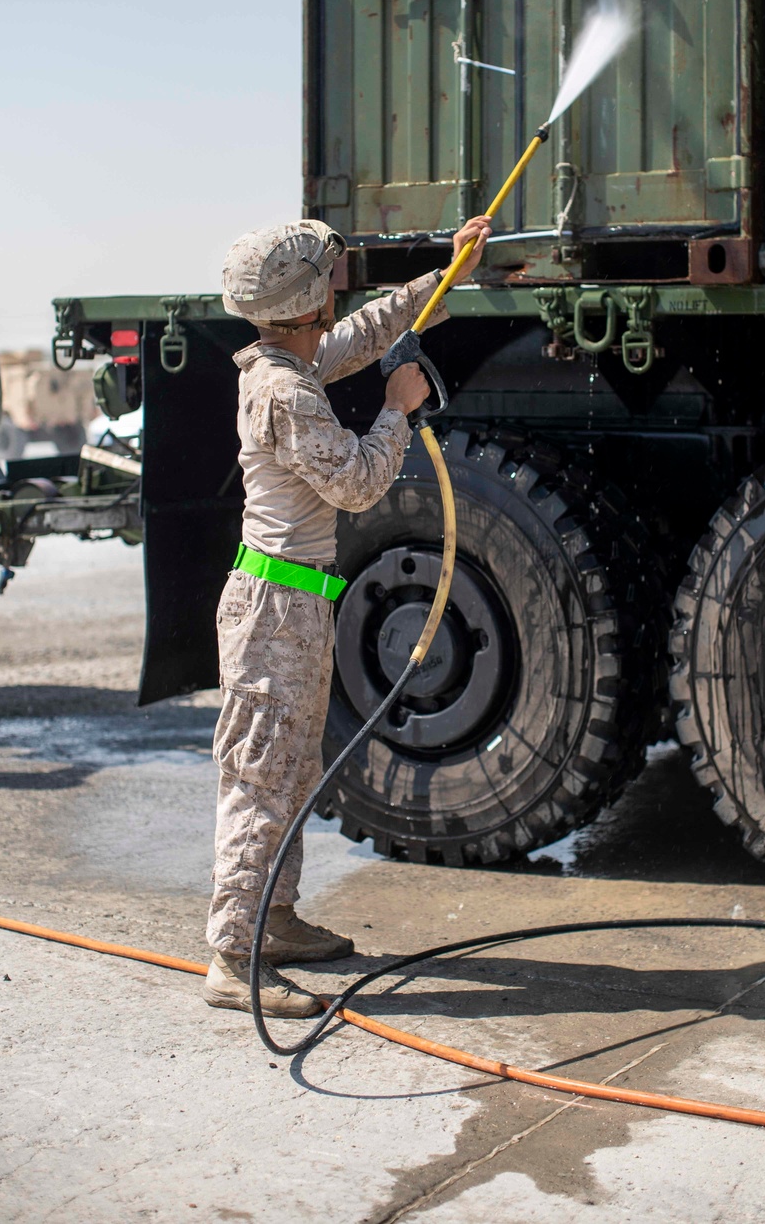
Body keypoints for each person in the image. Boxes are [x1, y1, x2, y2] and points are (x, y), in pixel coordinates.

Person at [204, 213, 492, 1015]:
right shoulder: (286, 392)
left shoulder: (288, 357)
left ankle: (275, 919)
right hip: (275, 608)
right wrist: (399, 407)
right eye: (327, 281)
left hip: (295, 604)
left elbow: (366, 331)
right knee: (261, 779)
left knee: (293, 774)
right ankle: (233, 955)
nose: (339, 290)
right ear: (305, 304)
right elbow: (360, 483)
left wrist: (447, 275)